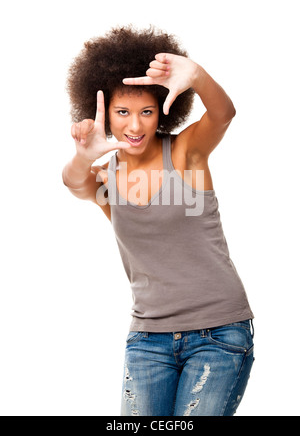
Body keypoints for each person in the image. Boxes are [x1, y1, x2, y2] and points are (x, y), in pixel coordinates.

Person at [62, 25, 254, 416]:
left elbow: (224, 114)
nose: (135, 126)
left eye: (146, 111)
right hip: (148, 341)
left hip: (218, 333)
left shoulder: (186, 153)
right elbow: (73, 183)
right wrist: (84, 155)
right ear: (106, 116)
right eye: (123, 112)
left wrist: (197, 75)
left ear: (163, 110)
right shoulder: (106, 179)